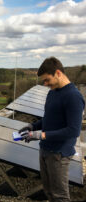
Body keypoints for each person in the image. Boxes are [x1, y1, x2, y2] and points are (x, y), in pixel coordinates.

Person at [19, 57, 85, 202]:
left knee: (59, 196)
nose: (45, 84)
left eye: (47, 80)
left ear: (58, 73)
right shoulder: (53, 92)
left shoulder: (73, 97)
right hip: (45, 150)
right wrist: (32, 126)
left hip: (59, 155)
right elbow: (49, 119)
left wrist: (40, 135)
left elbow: (73, 131)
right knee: (49, 192)